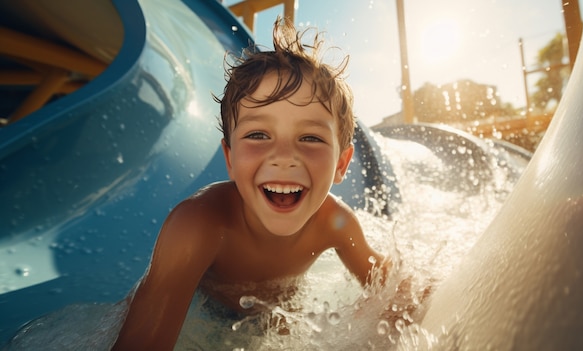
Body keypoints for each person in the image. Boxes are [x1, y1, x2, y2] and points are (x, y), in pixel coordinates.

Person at [112, 18, 395, 350]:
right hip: (203, 313)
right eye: (258, 135)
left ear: (342, 165)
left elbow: (390, 289)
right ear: (230, 159)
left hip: (280, 316)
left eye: (310, 137)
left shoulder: (336, 223)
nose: (284, 156)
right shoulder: (199, 225)